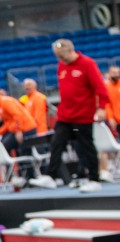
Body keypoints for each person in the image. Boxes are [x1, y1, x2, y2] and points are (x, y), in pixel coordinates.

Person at [42, 39, 109, 191]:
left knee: (86, 146)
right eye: (58, 57)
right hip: (65, 115)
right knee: (56, 142)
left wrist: (102, 108)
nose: (61, 59)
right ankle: (51, 176)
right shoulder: (61, 66)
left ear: (71, 50)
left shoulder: (87, 63)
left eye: (62, 56)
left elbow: (100, 88)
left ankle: (94, 179)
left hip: (83, 115)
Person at [0, 87, 37, 180]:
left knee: (24, 151)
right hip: (20, 129)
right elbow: (8, 123)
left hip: (26, 129)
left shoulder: (6, 102)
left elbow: (17, 115)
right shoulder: (0, 105)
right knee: (7, 146)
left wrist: (18, 131)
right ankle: (22, 176)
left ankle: (30, 176)